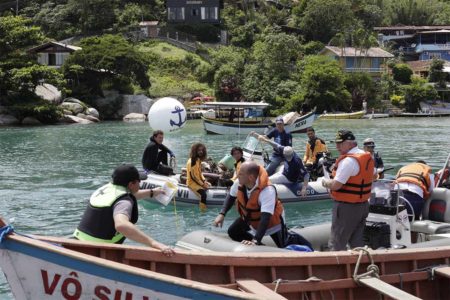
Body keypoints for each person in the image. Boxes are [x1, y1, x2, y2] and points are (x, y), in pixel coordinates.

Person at [74, 164, 175, 256]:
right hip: (97, 251)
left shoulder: (106, 189)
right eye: (139, 181)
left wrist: (152, 192)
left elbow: (132, 195)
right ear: (131, 184)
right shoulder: (124, 202)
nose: (140, 184)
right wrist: (154, 243)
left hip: (77, 242)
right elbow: (121, 225)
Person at [213, 161, 312, 249]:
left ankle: (303, 244)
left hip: (273, 221)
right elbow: (231, 197)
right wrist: (222, 214)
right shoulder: (239, 182)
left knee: (284, 246)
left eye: (240, 174)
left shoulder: (267, 190)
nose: (237, 175)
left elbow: (265, 218)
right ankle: (261, 248)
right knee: (233, 231)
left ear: (251, 177)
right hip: (251, 218)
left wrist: (256, 240)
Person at [321, 129, 374, 251]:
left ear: (351, 143)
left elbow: (336, 185)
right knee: (357, 242)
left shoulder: (348, 161)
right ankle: (358, 267)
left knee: (337, 242)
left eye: (340, 143)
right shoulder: (367, 157)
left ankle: (335, 269)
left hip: (347, 207)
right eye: (336, 143)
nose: (337, 146)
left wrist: (325, 182)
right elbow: (375, 175)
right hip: (363, 206)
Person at [186, 143, 211, 211]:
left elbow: (200, 173)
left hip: (198, 182)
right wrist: (202, 184)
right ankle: (203, 211)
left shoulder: (198, 160)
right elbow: (193, 177)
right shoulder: (192, 161)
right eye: (199, 150)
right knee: (203, 194)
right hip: (192, 183)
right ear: (195, 151)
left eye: (202, 150)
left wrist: (204, 181)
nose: (201, 152)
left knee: (208, 186)